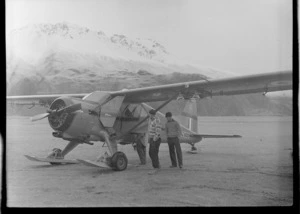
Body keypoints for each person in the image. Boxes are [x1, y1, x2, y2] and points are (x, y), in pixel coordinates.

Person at [147, 109, 162, 174]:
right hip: (151, 139)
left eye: (149, 114)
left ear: (152, 114)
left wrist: (154, 139)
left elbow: (158, 131)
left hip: (155, 139)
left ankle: (156, 167)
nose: (149, 115)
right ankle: (157, 165)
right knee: (151, 153)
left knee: (153, 153)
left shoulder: (157, 120)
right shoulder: (150, 120)